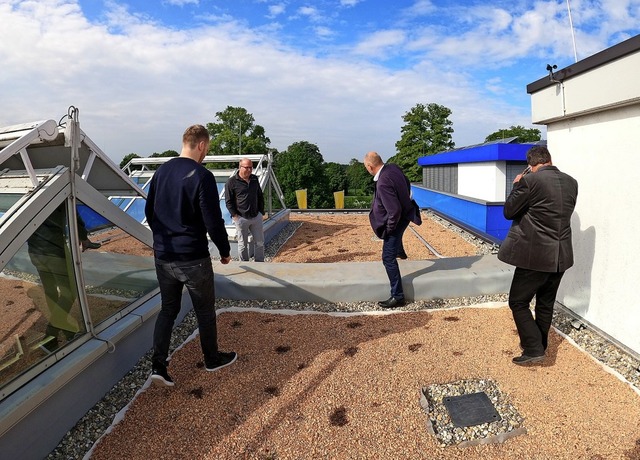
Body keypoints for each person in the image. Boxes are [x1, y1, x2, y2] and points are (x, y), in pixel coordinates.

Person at [145, 124, 236, 387]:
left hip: (163, 256)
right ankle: (211, 358)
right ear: (201, 145)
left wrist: (163, 239)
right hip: (192, 257)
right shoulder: (202, 176)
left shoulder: (162, 171)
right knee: (205, 311)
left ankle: (158, 366)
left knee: (168, 310)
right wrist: (225, 250)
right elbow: (213, 220)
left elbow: (150, 212)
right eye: (207, 148)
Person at [498, 145, 578, 365]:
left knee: (518, 302)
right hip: (561, 256)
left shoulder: (529, 181)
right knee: (545, 303)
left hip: (534, 256)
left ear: (530, 165)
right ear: (549, 160)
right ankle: (540, 345)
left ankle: (533, 349)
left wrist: (516, 187)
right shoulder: (572, 182)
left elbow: (509, 212)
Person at [364, 151, 421, 308]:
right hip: (406, 214)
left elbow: (393, 211)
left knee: (387, 258)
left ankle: (398, 296)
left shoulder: (382, 182)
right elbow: (406, 181)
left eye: (366, 167)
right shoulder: (393, 168)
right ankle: (400, 250)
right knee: (397, 237)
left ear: (370, 166)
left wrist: (388, 230)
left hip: (397, 220)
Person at [225, 157, 265, 262]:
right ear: (240, 167)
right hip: (241, 218)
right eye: (246, 167)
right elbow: (228, 201)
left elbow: (260, 195)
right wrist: (235, 216)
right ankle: (246, 265)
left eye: (251, 167)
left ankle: (260, 263)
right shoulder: (232, 182)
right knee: (243, 244)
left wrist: (261, 212)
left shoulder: (254, 179)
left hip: (256, 216)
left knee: (259, 242)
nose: (249, 170)